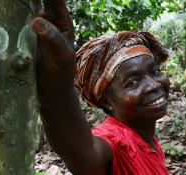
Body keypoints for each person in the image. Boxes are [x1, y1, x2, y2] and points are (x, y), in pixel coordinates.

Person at [31, 0, 170, 174]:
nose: (153, 85)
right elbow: (84, 155)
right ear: (106, 102)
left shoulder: (146, 140)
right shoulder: (116, 143)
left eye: (155, 71)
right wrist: (54, 86)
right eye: (132, 82)